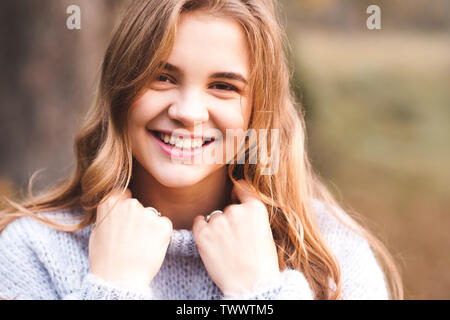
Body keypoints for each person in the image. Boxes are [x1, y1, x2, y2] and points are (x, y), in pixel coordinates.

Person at [0, 0, 403, 300]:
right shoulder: (31, 252)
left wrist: (260, 292)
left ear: (257, 111)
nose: (188, 113)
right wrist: (114, 287)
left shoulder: (333, 258)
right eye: (162, 77)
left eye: (224, 86)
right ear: (121, 89)